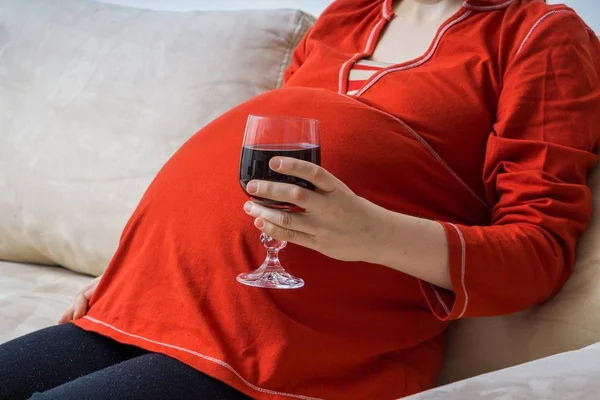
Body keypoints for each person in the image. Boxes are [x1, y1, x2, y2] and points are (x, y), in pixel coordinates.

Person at [1, 0, 599, 399]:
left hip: (295, 346)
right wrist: (134, 272)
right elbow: (246, 172)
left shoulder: (539, 35)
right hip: (158, 302)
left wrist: (373, 233)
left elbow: (538, 252)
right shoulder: (349, 14)